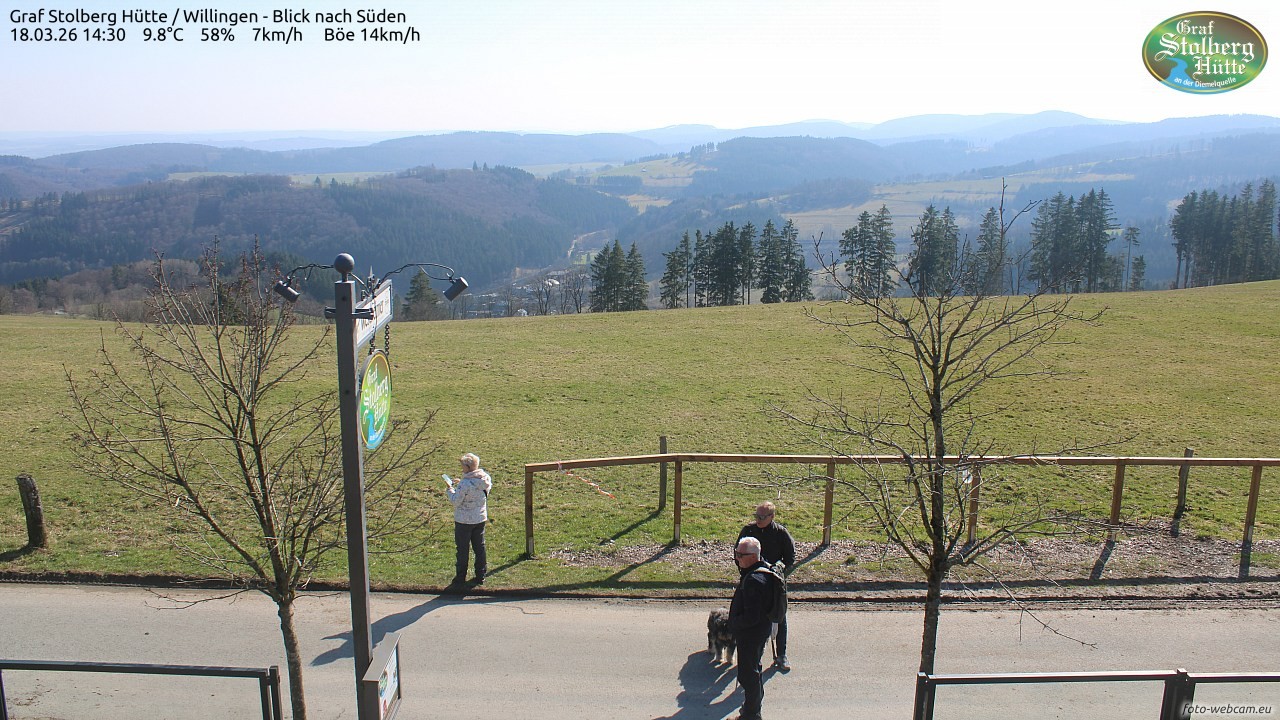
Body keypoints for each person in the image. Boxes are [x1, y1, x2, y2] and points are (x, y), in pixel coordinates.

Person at [738, 501, 795, 671]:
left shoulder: (780, 533)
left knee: (779, 615)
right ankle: (753, 653)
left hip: (774, 582)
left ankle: (781, 654)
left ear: (772, 516)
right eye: (757, 516)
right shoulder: (748, 531)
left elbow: (790, 557)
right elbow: (737, 552)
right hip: (752, 580)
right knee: (751, 616)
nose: (759, 520)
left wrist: (779, 566)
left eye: (762, 517)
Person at [728, 536, 778, 720]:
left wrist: (734, 623)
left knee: (748, 676)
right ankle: (751, 710)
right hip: (758, 633)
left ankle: (751, 714)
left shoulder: (755, 580)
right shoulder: (762, 570)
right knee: (753, 672)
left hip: (751, 635)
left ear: (754, 556)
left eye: (741, 555)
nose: (737, 558)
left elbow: (752, 616)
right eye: (736, 553)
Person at [446, 452, 491, 585]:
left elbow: (456, 501)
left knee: (463, 549)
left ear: (467, 467)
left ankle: (460, 577)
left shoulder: (465, 484)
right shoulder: (485, 479)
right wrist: (461, 483)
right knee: (479, 547)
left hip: (464, 521)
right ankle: (481, 574)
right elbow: (475, 489)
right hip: (480, 518)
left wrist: (450, 489)